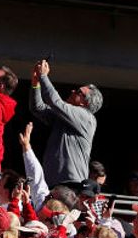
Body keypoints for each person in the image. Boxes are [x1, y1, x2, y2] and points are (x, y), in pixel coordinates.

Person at [29, 60, 101, 189]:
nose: (73, 90)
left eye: (79, 92)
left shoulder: (86, 117)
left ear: (85, 103)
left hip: (70, 183)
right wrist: (36, 85)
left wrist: (44, 76)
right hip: (53, 182)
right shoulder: (65, 117)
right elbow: (38, 108)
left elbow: (55, 102)